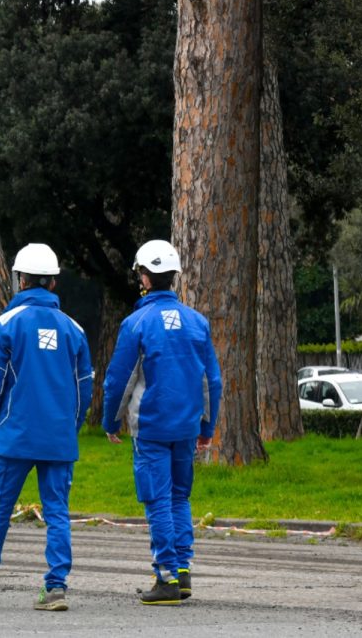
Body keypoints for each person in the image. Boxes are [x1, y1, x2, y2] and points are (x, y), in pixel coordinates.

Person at [0, 244, 93, 612]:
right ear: (54, 281)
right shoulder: (75, 330)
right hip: (59, 440)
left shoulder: (6, 325)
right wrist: (70, 428)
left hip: (15, 436)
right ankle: (56, 587)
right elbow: (85, 389)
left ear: (20, 280)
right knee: (58, 512)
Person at [101, 240, 221, 605]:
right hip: (187, 426)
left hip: (151, 427)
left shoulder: (135, 323)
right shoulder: (197, 322)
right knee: (179, 497)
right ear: (174, 277)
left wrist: (110, 420)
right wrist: (207, 427)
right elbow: (211, 381)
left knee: (156, 500)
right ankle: (183, 572)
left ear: (143, 277)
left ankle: (166, 578)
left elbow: (117, 380)